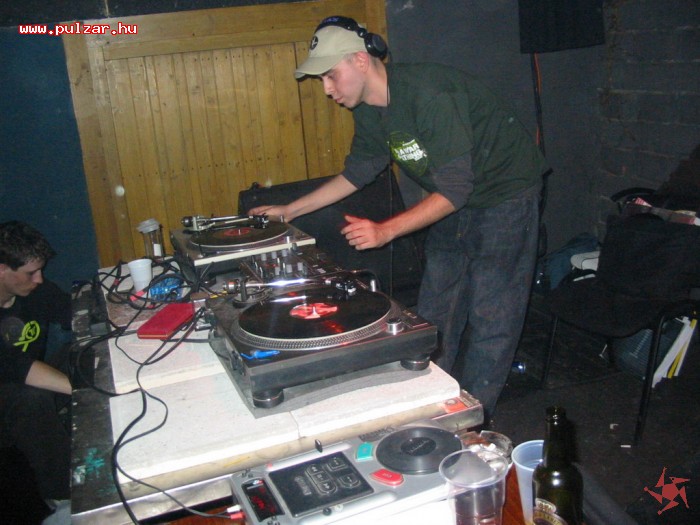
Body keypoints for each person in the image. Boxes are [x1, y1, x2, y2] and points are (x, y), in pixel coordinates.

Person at [249, 16, 549, 420]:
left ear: (360, 60)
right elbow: (358, 172)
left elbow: (455, 190)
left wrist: (385, 230)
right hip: (453, 199)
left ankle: (470, 422)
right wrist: (290, 210)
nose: (327, 89)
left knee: (492, 315)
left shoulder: (429, 93)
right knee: (436, 311)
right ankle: (428, 407)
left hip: (506, 195)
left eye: (331, 76)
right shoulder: (369, 109)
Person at [0, 221, 72, 518]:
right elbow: (20, 368)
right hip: (10, 392)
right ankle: (63, 495)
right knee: (31, 399)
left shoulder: (36, 291)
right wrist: (80, 389)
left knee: (83, 355)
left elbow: (73, 313)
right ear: (2, 270)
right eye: (31, 273)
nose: (40, 279)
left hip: (27, 378)